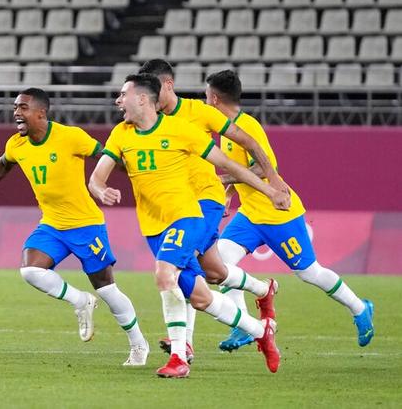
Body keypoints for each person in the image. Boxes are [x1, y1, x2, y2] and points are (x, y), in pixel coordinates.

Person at [89, 74, 288, 378]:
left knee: (164, 273)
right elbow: (96, 177)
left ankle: (179, 358)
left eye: (122, 94)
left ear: (142, 98)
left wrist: (271, 190)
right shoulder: (120, 134)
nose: (117, 100)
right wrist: (100, 189)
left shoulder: (182, 129)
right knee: (201, 296)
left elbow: (229, 165)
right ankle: (260, 331)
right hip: (154, 227)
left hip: (186, 216)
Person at [0, 88, 150, 367]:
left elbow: (109, 158)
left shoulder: (71, 136)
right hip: (53, 224)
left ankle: (138, 343)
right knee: (30, 270)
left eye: (22, 108)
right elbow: (3, 164)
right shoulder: (16, 144)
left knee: (107, 289)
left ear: (41, 113)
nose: (16, 113)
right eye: (15, 107)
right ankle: (80, 300)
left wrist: (142, 177)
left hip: (86, 225)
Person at [204, 69, 375, 350]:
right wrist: (228, 194)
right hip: (250, 215)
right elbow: (241, 169)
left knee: (310, 273)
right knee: (221, 266)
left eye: (205, 95)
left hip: (277, 212)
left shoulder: (248, 127)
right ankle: (242, 326)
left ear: (213, 98)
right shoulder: (225, 128)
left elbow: (265, 168)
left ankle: (360, 308)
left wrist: (222, 180)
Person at [138, 59, 286, 360]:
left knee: (179, 263)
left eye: (153, 89)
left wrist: (273, 182)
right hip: (177, 204)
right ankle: (262, 289)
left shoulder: (200, 112)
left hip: (205, 200)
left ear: (168, 85)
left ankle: (184, 345)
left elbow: (249, 143)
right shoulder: (151, 122)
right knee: (214, 273)